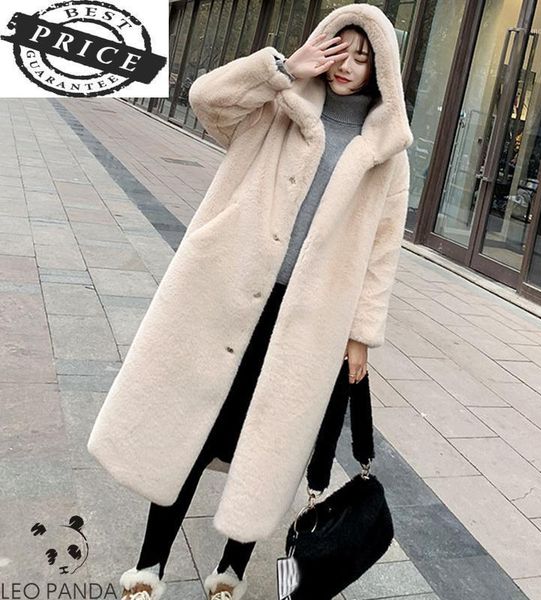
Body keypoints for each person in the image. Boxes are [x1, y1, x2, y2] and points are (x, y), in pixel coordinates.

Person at [87, 4, 412, 600]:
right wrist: (284, 68)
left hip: (306, 320)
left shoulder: (388, 155)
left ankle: (231, 572)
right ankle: (149, 568)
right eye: (339, 49)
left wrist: (362, 333)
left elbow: (382, 252)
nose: (347, 65)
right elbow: (206, 99)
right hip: (226, 295)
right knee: (192, 426)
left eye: (363, 58)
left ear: (382, 71)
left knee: (267, 446)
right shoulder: (279, 103)